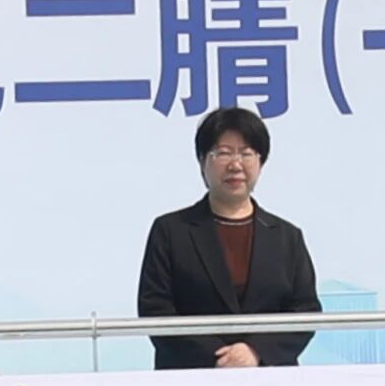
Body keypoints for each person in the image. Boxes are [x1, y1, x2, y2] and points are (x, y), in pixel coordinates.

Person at [134, 105, 326, 368]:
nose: (235, 165)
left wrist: (255, 352)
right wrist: (222, 358)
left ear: (260, 162)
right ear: (202, 161)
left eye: (246, 153)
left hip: (269, 378)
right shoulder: (170, 231)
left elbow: (306, 311)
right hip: (190, 377)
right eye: (223, 153)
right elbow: (156, 310)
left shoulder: (286, 236)